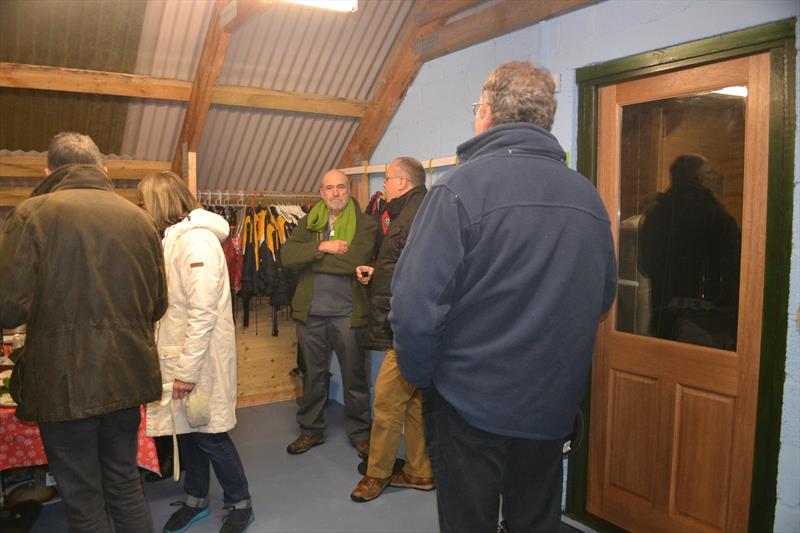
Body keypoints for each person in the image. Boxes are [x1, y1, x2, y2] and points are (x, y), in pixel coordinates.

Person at [390, 62, 618, 532]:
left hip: (467, 405)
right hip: (549, 405)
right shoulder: (587, 197)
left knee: (468, 522)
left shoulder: (458, 189)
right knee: (535, 521)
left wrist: (424, 379)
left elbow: (414, 311)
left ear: (487, 114)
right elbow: (602, 297)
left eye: (477, 107)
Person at [0, 132, 167, 533]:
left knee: (82, 496)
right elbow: (159, 304)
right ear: (101, 168)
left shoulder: (32, 214)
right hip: (127, 374)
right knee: (126, 485)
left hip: (65, 382)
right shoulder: (139, 218)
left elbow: (9, 309)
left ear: (49, 170)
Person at [138, 171, 254, 533]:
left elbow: (203, 312)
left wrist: (186, 371)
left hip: (197, 361)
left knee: (210, 434)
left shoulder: (196, 242)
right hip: (181, 355)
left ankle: (241, 501)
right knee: (186, 430)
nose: (140, 208)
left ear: (159, 203)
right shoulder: (173, 239)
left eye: (144, 201)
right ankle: (196, 498)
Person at [350, 157, 433, 502]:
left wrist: (402, 322)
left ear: (402, 182)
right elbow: (401, 265)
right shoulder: (414, 212)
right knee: (414, 404)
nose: (382, 185)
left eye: (386, 178)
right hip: (412, 325)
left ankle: (376, 474)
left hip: (406, 328)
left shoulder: (413, 215)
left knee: (385, 404)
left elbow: (419, 274)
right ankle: (420, 471)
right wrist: (376, 272)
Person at [282, 169, 376, 458]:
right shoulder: (309, 222)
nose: (335, 193)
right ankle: (311, 431)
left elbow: (355, 261)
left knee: (355, 377)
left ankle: (361, 433)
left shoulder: (366, 224)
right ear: (321, 193)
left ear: (349, 190)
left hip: (348, 314)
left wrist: (312, 258)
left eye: (340, 187)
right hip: (311, 314)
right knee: (312, 375)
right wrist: (324, 246)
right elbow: (287, 256)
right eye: (329, 188)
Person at [639, 154, 741, 348]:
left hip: (664, 316)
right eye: (711, 173)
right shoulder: (718, 217)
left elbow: (646, 265)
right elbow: (733, 268)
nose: (715, 178)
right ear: (699, 178)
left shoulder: (656, 214)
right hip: (707, 321)